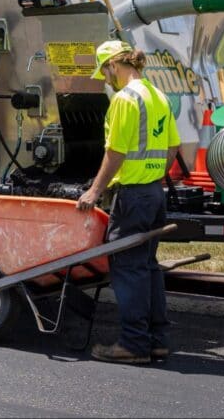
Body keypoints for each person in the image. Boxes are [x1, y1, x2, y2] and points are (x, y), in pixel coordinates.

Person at [76, 39, 179, 364]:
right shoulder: (157, 94)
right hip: (153, 193)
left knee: (128, 268)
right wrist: (154, 175)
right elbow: (173, 147)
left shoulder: (124, 99)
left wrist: (94, 190)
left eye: (105, 72)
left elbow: (116, 152)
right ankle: (156, 341)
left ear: (113, 66)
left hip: (133, 196)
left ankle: (133, 344)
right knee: (148, 267)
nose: (105, 79)